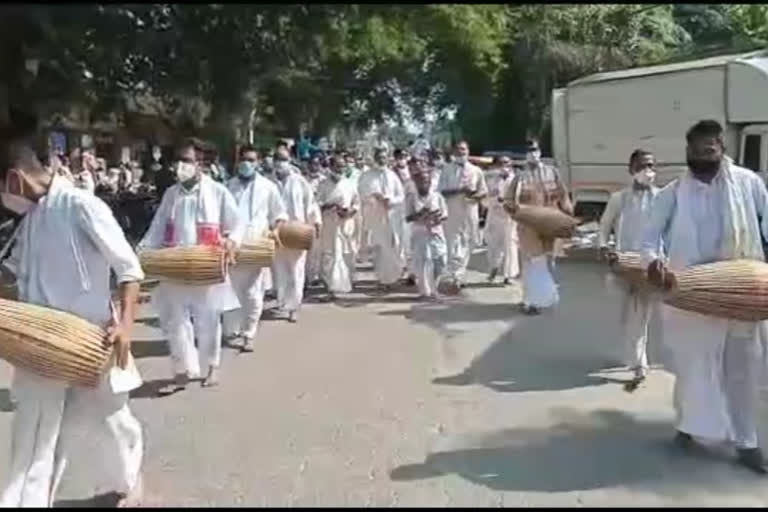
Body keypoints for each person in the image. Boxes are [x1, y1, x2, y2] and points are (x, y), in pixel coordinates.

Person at [0, 140, 144, 507]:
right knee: (34, 430)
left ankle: (129, 480)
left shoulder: (82, 205)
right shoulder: (29, 220)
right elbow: (11, 272)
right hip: (39, 344)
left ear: (14, 180)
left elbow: (128, 269)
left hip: (88, 341)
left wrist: (125, 325)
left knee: (112, 420)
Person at [641, 120, 768, 474]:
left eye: (710, 149)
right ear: (688, 152)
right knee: (693, 367)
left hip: (741, 292)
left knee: (741, 371)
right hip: (691, 294)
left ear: (721, 148)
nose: (704, 156)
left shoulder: (749, 183)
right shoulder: (672, 193)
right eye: (697, 151)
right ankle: (689, 426)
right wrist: (654, 264)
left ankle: (747, 443)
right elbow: (650, 239)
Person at [138, 139, 241, 388]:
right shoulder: (171, 194)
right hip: (175, 265)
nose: (180, 166)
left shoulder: (218, 192)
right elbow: (158, 227)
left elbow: (236, 224)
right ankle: (183, 368)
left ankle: (212, 366)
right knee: (176, 320)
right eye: (178, 161)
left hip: (205, 265)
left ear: (200, 164)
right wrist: (143, 251)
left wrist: (230, 241)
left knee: (208, 319)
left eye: (187, 160)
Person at [599, 149, 661, 385]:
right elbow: (604, 227)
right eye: (643, 166)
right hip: (622, 263)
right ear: (631, 170)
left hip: (648, 264)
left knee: (641, 313)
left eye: (652, 166)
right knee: (624, 312)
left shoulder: (661, 197)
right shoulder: (619, 198)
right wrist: (604, 247)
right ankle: (630, 354)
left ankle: (639, 363)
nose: (648, 171)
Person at [223, 145, 287, 350]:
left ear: (258, 163)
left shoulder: (268, 187)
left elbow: (279, 215)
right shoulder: (228, 186)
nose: (246, 164)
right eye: (243, 159)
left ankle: (249, 333)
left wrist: (275, 231)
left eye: (251, 160)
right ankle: (231, 329)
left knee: (252, 292)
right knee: (230, 290)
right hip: (231, 246)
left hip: (256, 245)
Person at [504, 137, 572, 315]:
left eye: (534, 150)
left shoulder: (552, 172)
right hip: (529, 226)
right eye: (528, 151)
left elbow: (563, 196)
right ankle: (529, 302)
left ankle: (541, 297)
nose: (532, 154)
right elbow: (509, 201)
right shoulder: (519, 178)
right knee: (533, 263)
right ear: (525, 155)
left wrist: (567, 217)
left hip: (550, 224)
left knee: (549, 261)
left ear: (540, 152)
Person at [272, 148, 320, 323]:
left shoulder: (299, 181)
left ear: (290, 159)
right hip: (276, 233)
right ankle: (283, 302)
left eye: (283, 158)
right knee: (279, 270)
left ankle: (294, 306)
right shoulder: (269, 182)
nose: (279, 162)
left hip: (298, 232)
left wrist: (315, 223)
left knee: (296, 271)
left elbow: (311, 204)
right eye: (277, 158)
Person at [438, 140, 488, 288]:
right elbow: (441, 191)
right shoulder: (446, 170)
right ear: (454, 152)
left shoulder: (476, 170)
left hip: (470, 211)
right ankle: (455, 275)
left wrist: (475, 196)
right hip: (452, 212)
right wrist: (460, 190)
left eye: (464, 150)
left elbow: (483, 191)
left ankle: (459, 273)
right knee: (452, 242)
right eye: (458, 150)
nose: (461, 152)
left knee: (470, 241)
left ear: (468, 151)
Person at [359, 147, 405, 290]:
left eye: (384, 157)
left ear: (387, 158)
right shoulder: (367, 176)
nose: (381, 159)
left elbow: (401, 196)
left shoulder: (392, 176)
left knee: (393, 247)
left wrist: (390, 201)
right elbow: (361, 194)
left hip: (392, 218)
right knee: (380, 249)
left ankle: (392, 277)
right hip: (375, 218)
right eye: (379, 156)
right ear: (374, 157)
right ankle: (383, 279)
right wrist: (374, 197)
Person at [317, 155, 360, 300]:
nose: (340, 169)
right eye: (337, 166)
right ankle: (331, 286)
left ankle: (345, 282)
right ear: (330, 167)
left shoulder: (350, 184)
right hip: (329, 224)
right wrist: (330, 205)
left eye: (342, 166)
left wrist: (350, 211)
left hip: (346, 223)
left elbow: (357, 203)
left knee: (347, 253)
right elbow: (316, 204)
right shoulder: (323, 185)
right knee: (330, 254)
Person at [406, 156, 448, 300]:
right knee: (423, 262)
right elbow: (407, 217)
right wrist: (420, 215)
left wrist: (437, 218)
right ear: (416, 182)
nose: (424, 182)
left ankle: (434, 286)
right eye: (420, 180)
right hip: (420, 234)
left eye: (426, 180)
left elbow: (445, 214)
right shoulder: (412, 197)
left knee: (440, 260)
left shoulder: (437, 196)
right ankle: (425, 292)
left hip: (436, 232)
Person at [485, 155, 519, 284]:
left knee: (510, 246)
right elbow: (485, 198)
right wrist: (494, 200)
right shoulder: (490, 179)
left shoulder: (516, 180)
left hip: (510, 218)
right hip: (494, 216)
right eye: (500, 163)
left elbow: (519, 198)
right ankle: (493, 268)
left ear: (511, 165)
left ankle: (508, 276)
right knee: (493, 245)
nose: (503, 166)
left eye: (506, 163)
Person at [304, 155, 326, 287]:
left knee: (320, 249)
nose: (314, 166)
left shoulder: (324, 181)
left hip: (325, 217)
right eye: (312, 164)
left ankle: (316, 275)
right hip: (308, 218)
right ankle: (306, 277)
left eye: (316, 164)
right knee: (307, 248)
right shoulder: (303, 181)